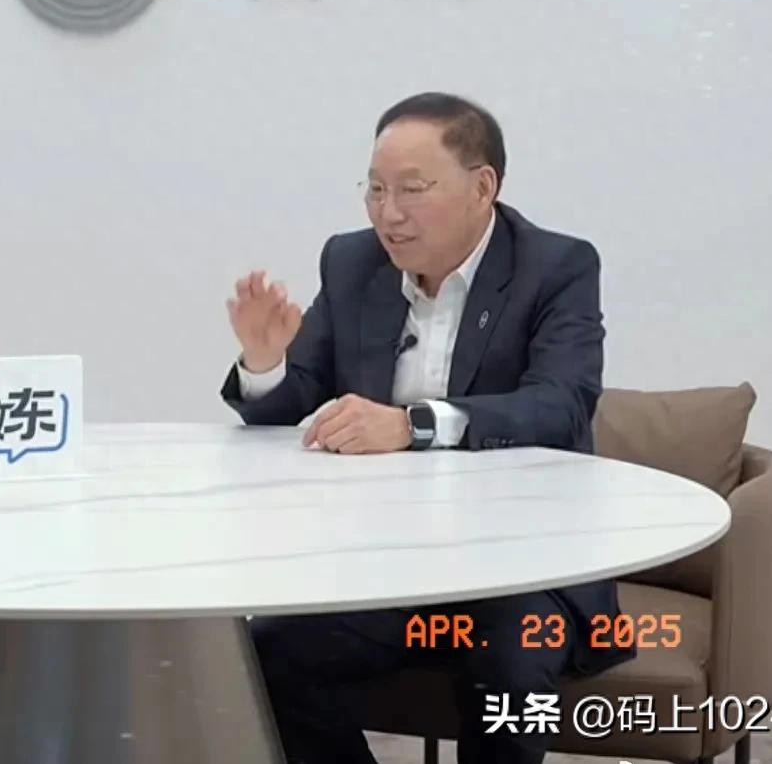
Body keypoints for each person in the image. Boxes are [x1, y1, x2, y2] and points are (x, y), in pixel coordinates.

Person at [222, 93, 631, 764]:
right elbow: (290, 405)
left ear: (482, 187)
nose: (389, 213)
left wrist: (414, 424)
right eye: (376, 189)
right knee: (266, 653)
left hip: (520, 568)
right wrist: (265, 363)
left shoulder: (555, 267)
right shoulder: (352, 263)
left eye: (412, 190)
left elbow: (561, 405)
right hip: (388, 569)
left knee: (509, 670)